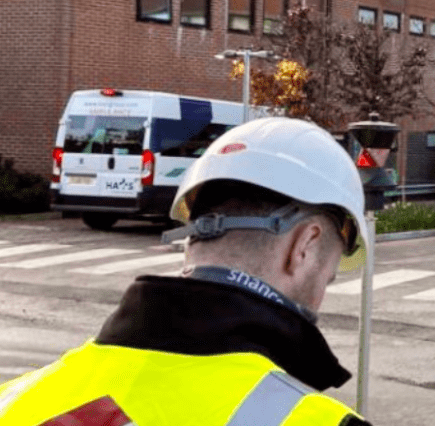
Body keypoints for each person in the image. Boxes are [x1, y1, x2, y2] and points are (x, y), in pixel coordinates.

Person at [0, 117, 371, 426]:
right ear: (304, 246)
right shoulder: (316, 421)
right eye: (329, 276)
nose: (321, 295)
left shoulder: (16, 402)